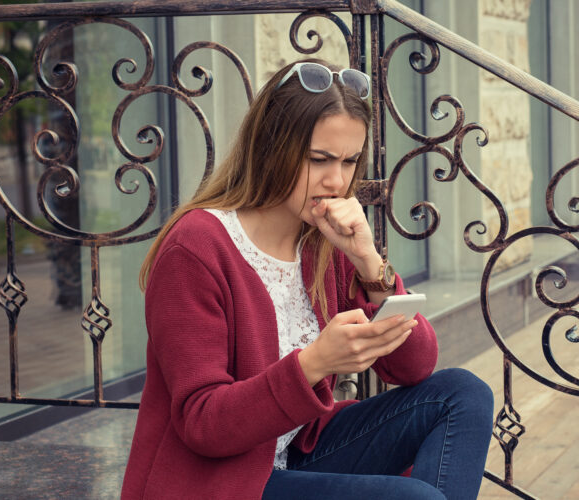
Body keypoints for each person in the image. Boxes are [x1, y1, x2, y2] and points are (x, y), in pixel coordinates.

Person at [121, 59, 494, 500]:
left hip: (296, 452)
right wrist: (314, 363)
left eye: (349, 161)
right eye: (319, 159)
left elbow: (413, 367)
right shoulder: (196, 247)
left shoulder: (322, 243)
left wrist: (369, 261)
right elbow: (203, 424)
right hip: (219, 483)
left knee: (462, 395)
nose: (336, 181)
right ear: (271, 146)